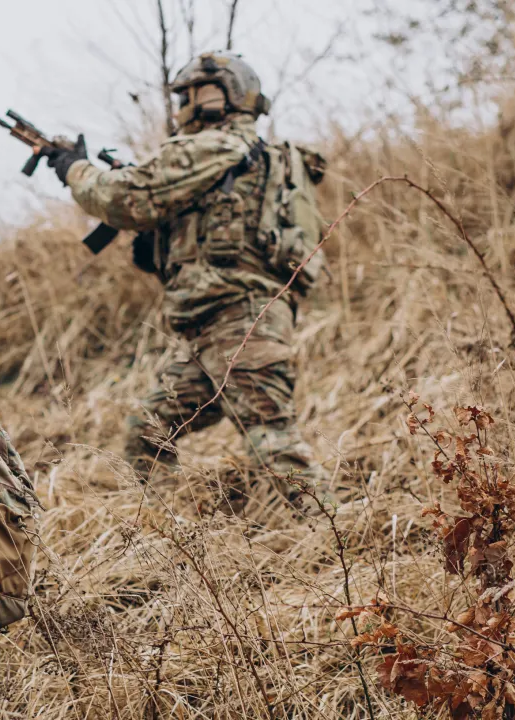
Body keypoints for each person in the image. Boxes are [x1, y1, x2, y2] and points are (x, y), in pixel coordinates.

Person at [43, 52, 329, 486]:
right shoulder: (241, 157)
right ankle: (173, 538)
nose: (182, 108)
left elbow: (126, 198)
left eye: (189, 96)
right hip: (210, 330)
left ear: (220, 97)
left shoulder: (220, 145)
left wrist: (75, 169)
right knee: (148, 433)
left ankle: (336, 538)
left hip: (242, 324)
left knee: (275, 445)